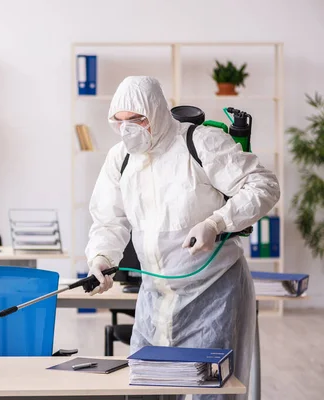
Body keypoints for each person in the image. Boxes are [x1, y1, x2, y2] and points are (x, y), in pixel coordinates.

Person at [85, 76, 280, 400]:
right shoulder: (120, 158)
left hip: (212, 290)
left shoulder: (200, 143)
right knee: (146, 387)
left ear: (159, 112)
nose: (128, 129)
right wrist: (102, 258)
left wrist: (216, 222)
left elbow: (263, 185)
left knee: (207, 390)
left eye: (137, 120)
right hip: (155, 296)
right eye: (120, 122)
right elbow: (108, 219)